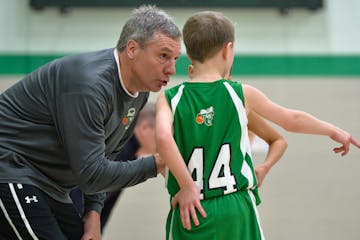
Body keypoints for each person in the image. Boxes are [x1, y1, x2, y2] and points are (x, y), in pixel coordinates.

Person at [155, 11, 360, 240]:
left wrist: (188, 187)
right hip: (236, 206)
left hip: (190, 209)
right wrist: (334, 130)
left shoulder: (171, 97)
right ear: (228, 50)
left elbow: (163, 139)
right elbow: (292, 120)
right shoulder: (240, 93)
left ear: (189, 53)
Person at [0, 5, 181, 240]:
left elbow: (106, 158)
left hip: (51, 185)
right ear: (133, 48)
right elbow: (92, 173)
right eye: (163, 56)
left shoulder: (140, 92)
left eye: (175, 59)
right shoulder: (90, 86)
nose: (172, 69)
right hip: (11, 167)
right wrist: (160, 162)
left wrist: (93, 215)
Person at [70, 102, 157, 231]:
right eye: (164, 132)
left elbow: (106, 202)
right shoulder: (121, 148)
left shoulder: (128, 153)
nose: (168, 139)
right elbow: (84, 192)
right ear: (145, 127)